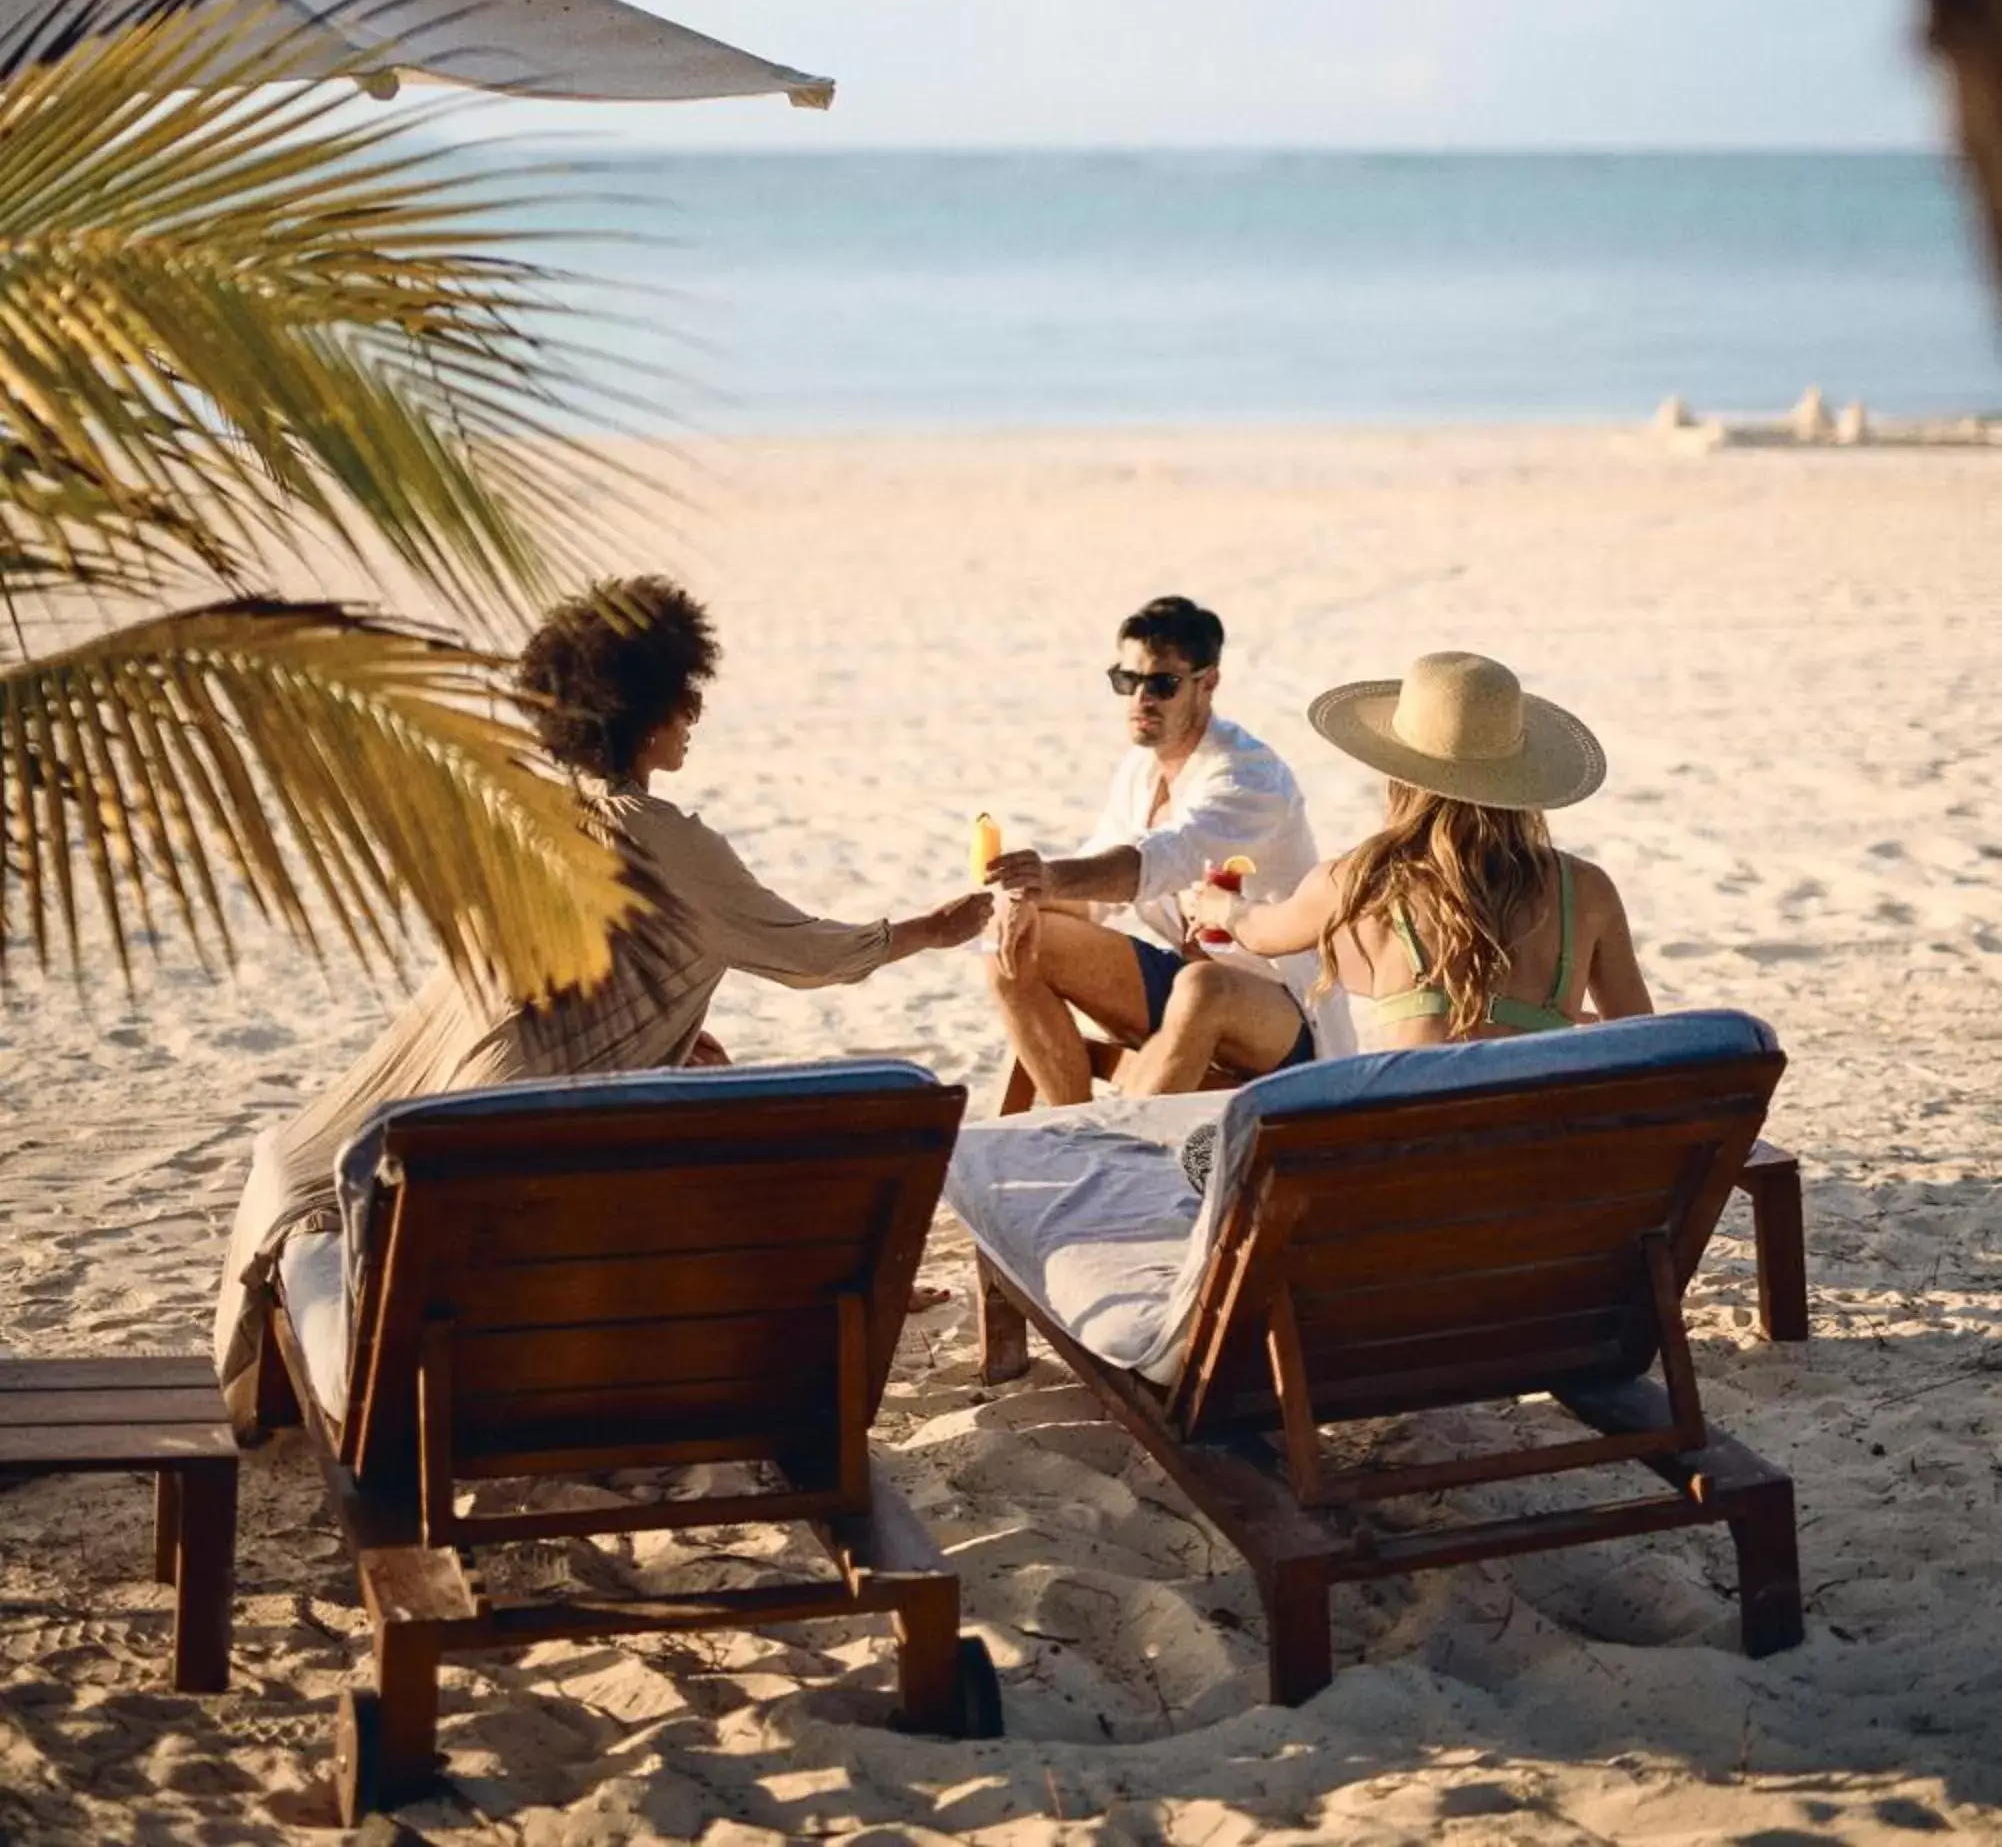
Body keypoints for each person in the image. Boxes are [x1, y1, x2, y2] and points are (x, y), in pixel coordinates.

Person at [214, 576, 989, 1431]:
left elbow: (540, 982)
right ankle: (840, 1276)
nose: (695, 714)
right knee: (716, 1123)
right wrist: (930, 928)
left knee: (701, 1086)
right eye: (686, 699)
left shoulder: (529, 818)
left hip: (468, 1132)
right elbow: (811, 956)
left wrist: (662, 1031)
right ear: (650, 714)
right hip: (545, 1178)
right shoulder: (671, 843)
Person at [985, 593, 1350, 1103]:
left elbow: (1164, 860)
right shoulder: (1141, 771)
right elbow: (1095, 897)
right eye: (1126, 681)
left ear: (1209, 683)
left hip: (1283, 1012)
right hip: (1183, 986)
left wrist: (1049, 876)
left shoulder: (1248, 776)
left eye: (1162, 684)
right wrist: (1018, 900)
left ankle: (1119, 1142)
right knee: (1012, 946)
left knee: (1204, 986)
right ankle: (1070, 1126)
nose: (1141, 698)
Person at [1181, 648, 1652, 1042]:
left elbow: (1263, 932)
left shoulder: (1360, 881)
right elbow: (1643, 1042)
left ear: (1400, 775)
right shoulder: (1585, 892)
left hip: (1414, 1145)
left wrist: (1222, 907)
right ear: (1518, 782)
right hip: (1542, 1142)